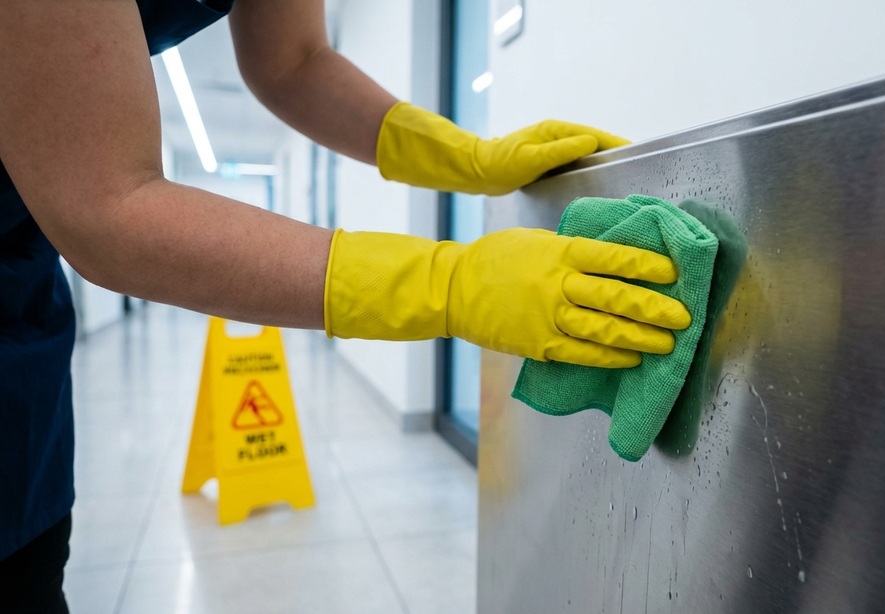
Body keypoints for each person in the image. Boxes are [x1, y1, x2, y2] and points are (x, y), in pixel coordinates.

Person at [0, 1, 690, 610]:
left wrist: (467, 158)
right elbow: (106, 206)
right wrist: (448, 284)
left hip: (19, 290)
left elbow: (294, 60)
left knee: (29, 556)